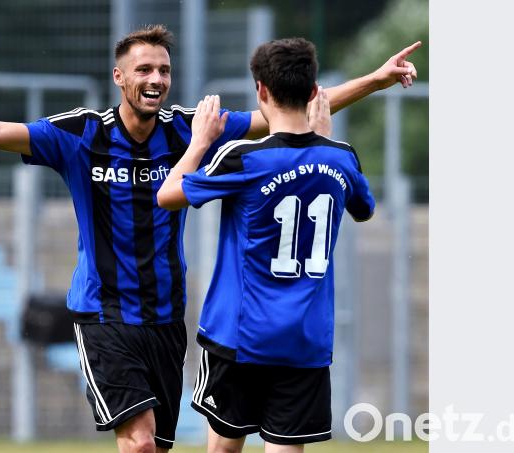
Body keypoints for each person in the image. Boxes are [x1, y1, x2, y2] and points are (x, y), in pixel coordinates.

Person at [0, 24, 417, 453]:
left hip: (167, 317)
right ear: (119, 77)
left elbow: (284, 114)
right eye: (144, 69)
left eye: (164, 70)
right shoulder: (81, 133)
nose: (156, 79)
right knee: (140, 444)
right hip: (105, 313)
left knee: (157, 447)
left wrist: (373, 81)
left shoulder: (189, 129)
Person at [156, 37, 374, 453]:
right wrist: (324, 141)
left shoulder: (244, 157)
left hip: (238, 337)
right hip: (305, 339)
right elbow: (363, 210)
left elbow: (167, 195)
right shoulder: (342, 157)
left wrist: (199, 142)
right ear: (314, 92)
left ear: (261, 90)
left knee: (223, 449)